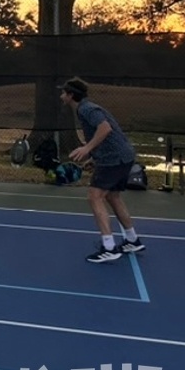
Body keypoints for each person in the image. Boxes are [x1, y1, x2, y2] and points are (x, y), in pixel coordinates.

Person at [59, 77, 146, 263]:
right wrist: (94, 157)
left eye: (63, 93)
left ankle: (109, 247)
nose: (61, 96)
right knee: (112, 196)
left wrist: (87, 148)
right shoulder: (86, 109)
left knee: (94, 196)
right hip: (122, 156)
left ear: (71, 95)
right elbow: (107, 135)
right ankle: (132, 240)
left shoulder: (86, 109)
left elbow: (105, 129)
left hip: (115, 158)